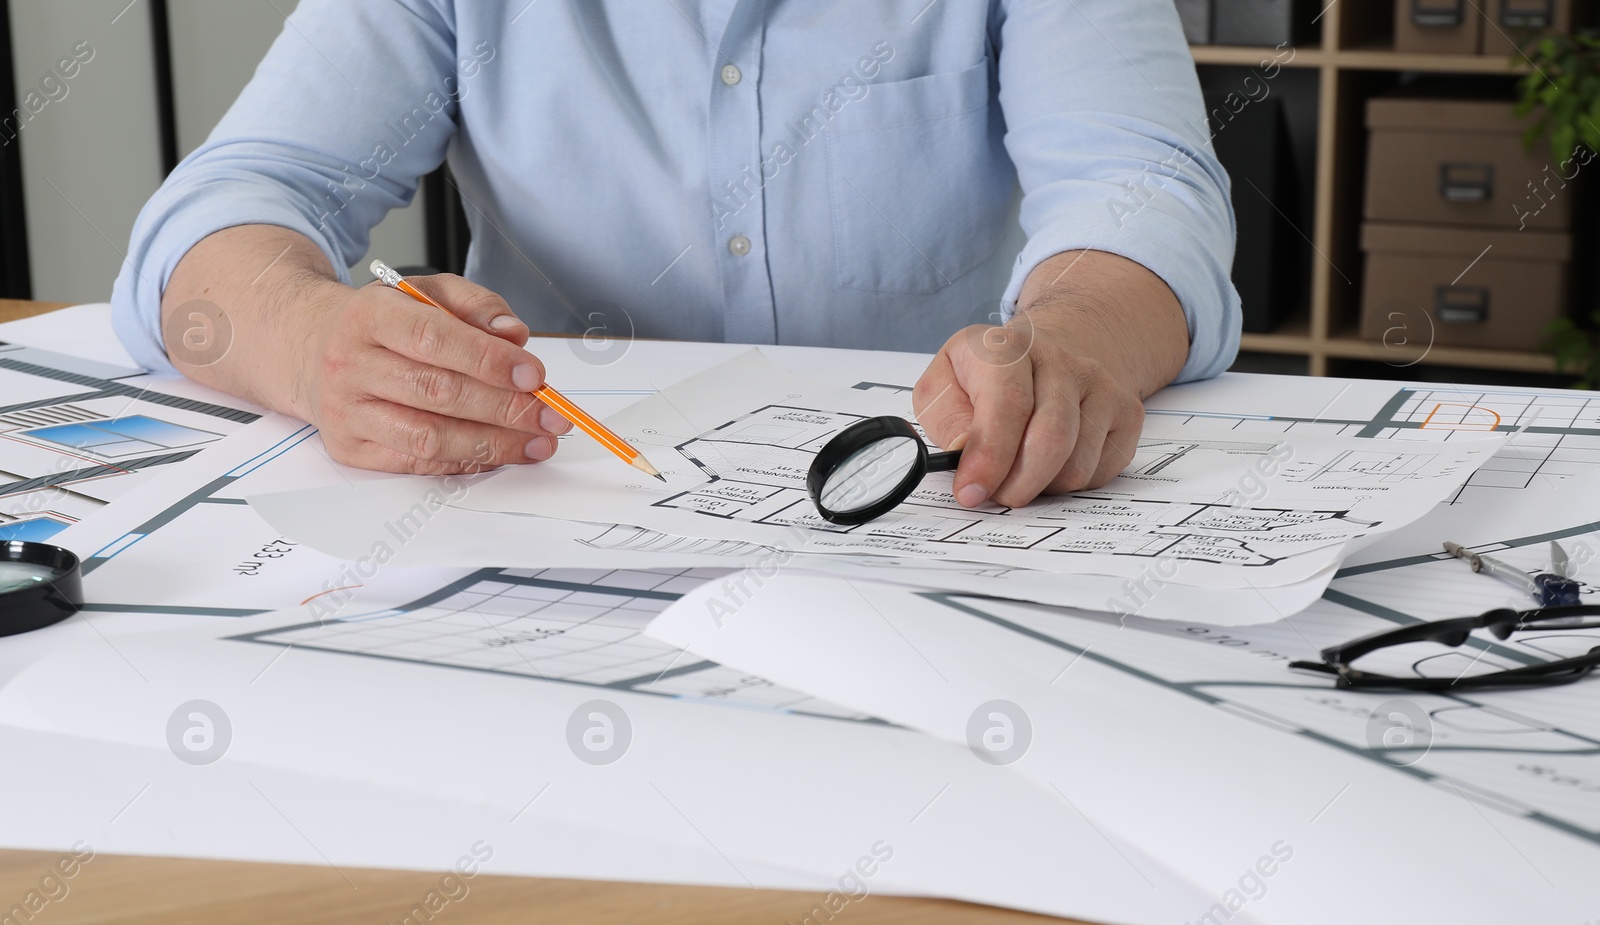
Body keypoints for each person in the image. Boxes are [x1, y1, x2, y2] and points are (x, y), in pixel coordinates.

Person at [113, 0, 1239, 509]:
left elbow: (1143, 194)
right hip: (555, 518)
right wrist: (314, 344)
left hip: (937, 508)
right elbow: (224, 214)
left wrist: (1070, 338)